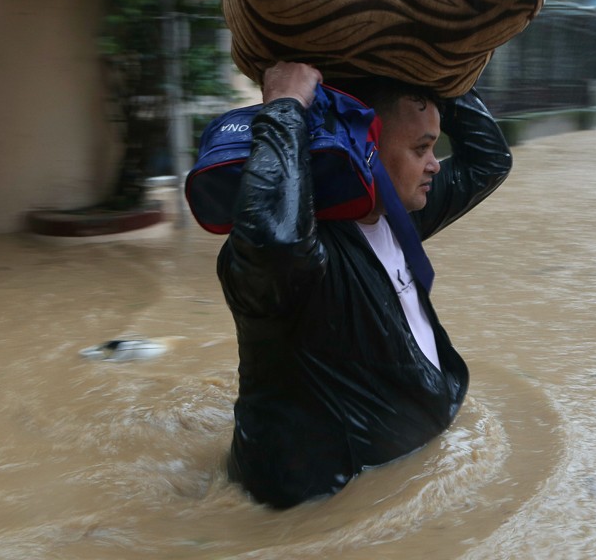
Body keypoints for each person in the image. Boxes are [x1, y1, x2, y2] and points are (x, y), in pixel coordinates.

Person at [217, 60, 512, 508]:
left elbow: (490, 160)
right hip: (324, 510)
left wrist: (443, 70)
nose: (435, 164)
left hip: (414, 478)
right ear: (366, 144)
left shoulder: (397, 216)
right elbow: (271, 238)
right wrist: (285, 108)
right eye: (421, 148)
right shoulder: (297, 263)